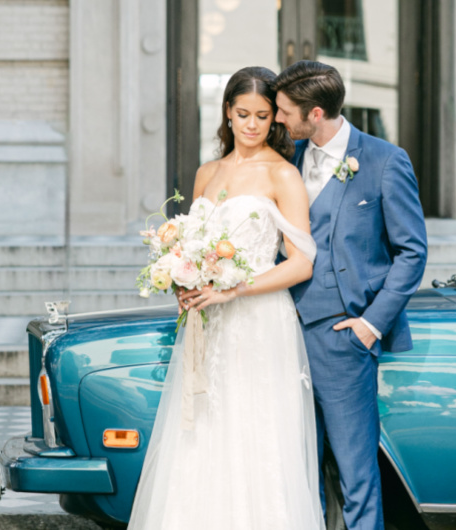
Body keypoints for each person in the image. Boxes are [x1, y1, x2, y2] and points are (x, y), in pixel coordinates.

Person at [127, 66, 325, 530]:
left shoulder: (283, 175)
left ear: (275, 119)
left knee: (254, 433)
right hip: (209, 324)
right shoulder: (206, 173)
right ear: (227, 114)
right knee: (202, 433)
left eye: (262, 115)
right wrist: (182, 278)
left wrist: (231, 290)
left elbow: (301, 263)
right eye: (243, 114)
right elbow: (192, 241)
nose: (252, 125)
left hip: (258, 321)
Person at [275, 60, 428, 530]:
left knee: (356, 474)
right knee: (299, 474)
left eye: (284, 111)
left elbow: (412, 252)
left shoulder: (384, 160)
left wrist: (369, 325)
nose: (278, 119)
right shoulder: (288, 159)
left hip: (344, 337)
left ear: (314, 113)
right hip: (282, 334)